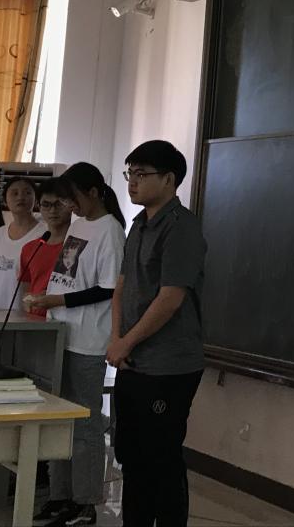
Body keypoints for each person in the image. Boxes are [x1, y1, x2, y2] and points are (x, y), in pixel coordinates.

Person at [107, 140, 206, 527]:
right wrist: (117, 341)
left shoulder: (181, 228)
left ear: (169, 179)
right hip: (133, 361)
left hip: (169, 366)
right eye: (129, 173)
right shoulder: (138, 225)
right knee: (130, 455)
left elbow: (170, 299)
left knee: (160, 457)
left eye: (141, 174)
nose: (132, 181)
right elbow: (121, 288)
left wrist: (126, 342)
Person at [30, 163, 125, 527]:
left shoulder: (110, 230)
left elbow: (108, 288)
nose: (70, 206)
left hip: (87, 341)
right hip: (60, 334)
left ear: (94, 192)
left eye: (73, 199)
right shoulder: (79, 225)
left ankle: (84, 503)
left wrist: (59, 301)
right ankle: (59, 496)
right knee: (57, 420)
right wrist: (51, 299)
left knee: (84, 424)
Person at [0, 177, 46, 312]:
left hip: (28, 313)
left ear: (36, 199)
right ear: (5, 200)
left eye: (27, 193)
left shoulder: (45, 234)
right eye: (14, 193)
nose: (21, 197)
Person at [19, 178, 73, 318]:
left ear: (70, 204)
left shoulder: (79, 246)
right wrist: (29, 301)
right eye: (46, 204)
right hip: (35, 320)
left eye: (59, 204)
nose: (53, 210)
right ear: (39, 206)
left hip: (67, 318)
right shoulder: (30, 249)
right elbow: (26, 290)